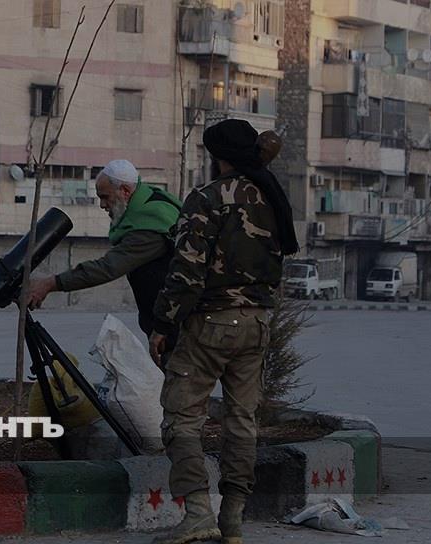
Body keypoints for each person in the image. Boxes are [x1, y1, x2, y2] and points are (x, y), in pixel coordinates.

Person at [148, 120, 299, 544]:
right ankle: (232, 519)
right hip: (258, 323)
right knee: (241, 421)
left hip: (211, 324)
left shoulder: (208, 197)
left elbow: (187, 271)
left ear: (217, 157)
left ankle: (198, 514)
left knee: (181, 418)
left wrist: (162, 324)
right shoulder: (272, 195)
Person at [28, 159, 182, 351]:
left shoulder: (150, 224)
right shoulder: (151, 199)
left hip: (176, 326)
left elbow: (108, 268)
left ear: (125, 191)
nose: (102, 205)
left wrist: (50, 283)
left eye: (105, 197)